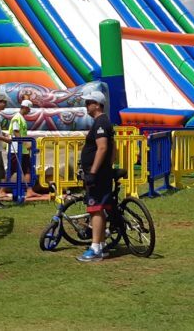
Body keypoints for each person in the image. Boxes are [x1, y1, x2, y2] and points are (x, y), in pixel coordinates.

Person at [77, 91, 115, 262]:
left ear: (97, 104)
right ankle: (100, 243)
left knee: (96, 209)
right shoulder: (103, 122)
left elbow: (103, 148)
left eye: (89, 103)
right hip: (102, 172)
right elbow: (113, 148)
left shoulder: (101, 123)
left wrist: (93, 172)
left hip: (98, 175)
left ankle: (95, 248)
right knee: (99, 208)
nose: (87, 106)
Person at [8, 99, 36, 198]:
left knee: (27, 169)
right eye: (28, 109)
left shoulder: (22, 118)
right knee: (11, 170)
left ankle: (29, 190)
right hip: (15, 149)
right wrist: (25, 143)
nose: (29, 111)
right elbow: (16, 132)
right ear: (24, 107)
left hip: (22, 149)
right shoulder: (17, 118)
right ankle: (1, 190)